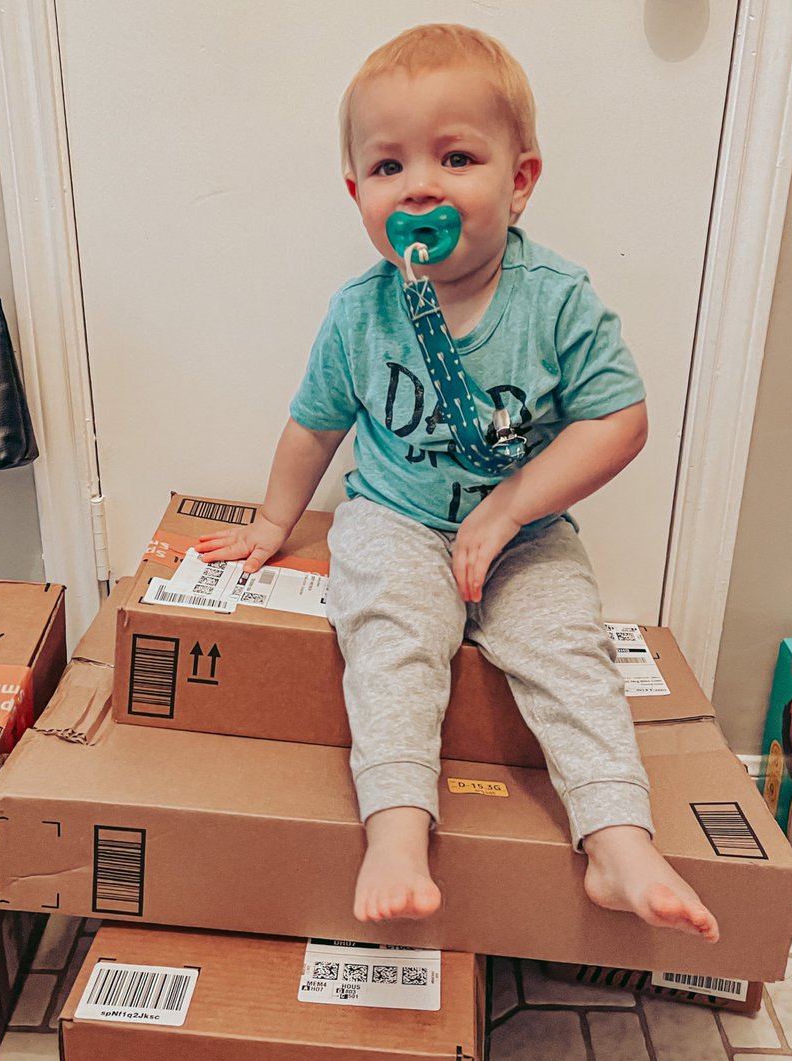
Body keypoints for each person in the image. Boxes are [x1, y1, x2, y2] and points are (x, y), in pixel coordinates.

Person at [198, 23, 719, 941]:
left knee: (567, 649)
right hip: (394, 520)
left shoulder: (555, 300)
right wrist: (275, 521)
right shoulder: (360, 315)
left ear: (519, 182)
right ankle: (398, 830)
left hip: (524, 532)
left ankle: (617, 839)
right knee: (393, 642)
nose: (421, 185)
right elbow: (316, 423)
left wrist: (512, 508)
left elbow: (620, 420)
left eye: (457, 156)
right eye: (390, 167)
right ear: (359, 194)